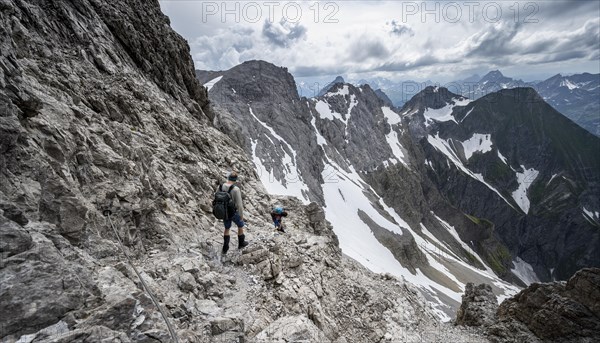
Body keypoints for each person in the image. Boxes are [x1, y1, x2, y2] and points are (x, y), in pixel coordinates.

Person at [219, 171, 249, 254]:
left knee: (227, 228)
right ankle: (241, 243)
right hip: (233, 212)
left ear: (228, 178)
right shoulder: (235, 189)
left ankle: (225, 248)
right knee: (240, 225)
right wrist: (241, 216)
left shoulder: (221, 186)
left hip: (224, 211)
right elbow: (239, 205)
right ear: (235, 180)